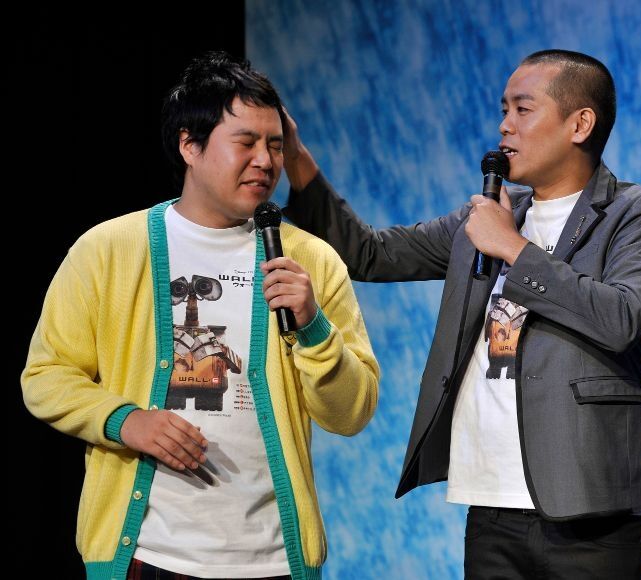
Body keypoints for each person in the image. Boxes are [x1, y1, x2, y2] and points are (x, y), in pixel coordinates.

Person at [282, 49, 641, 578]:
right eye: (503, 110)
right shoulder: (486, 218)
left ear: (580, 124)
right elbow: (370, 254)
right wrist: (295, 158)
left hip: (592, 513)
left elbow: (623, 317)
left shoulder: (640, 210)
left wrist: (513, 248)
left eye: (523, 109)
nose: (504, 126)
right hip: (490, 507)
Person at [21, 51, 379, 580]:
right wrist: (127, 421)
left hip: (273, 561)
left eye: (275, 145)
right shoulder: (108, 249)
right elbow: (45, 377)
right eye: (246, 142)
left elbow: (351, 413)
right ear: (190, 145)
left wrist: (313, 327)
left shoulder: (312, 260)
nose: (265, 161)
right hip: (147, 555)